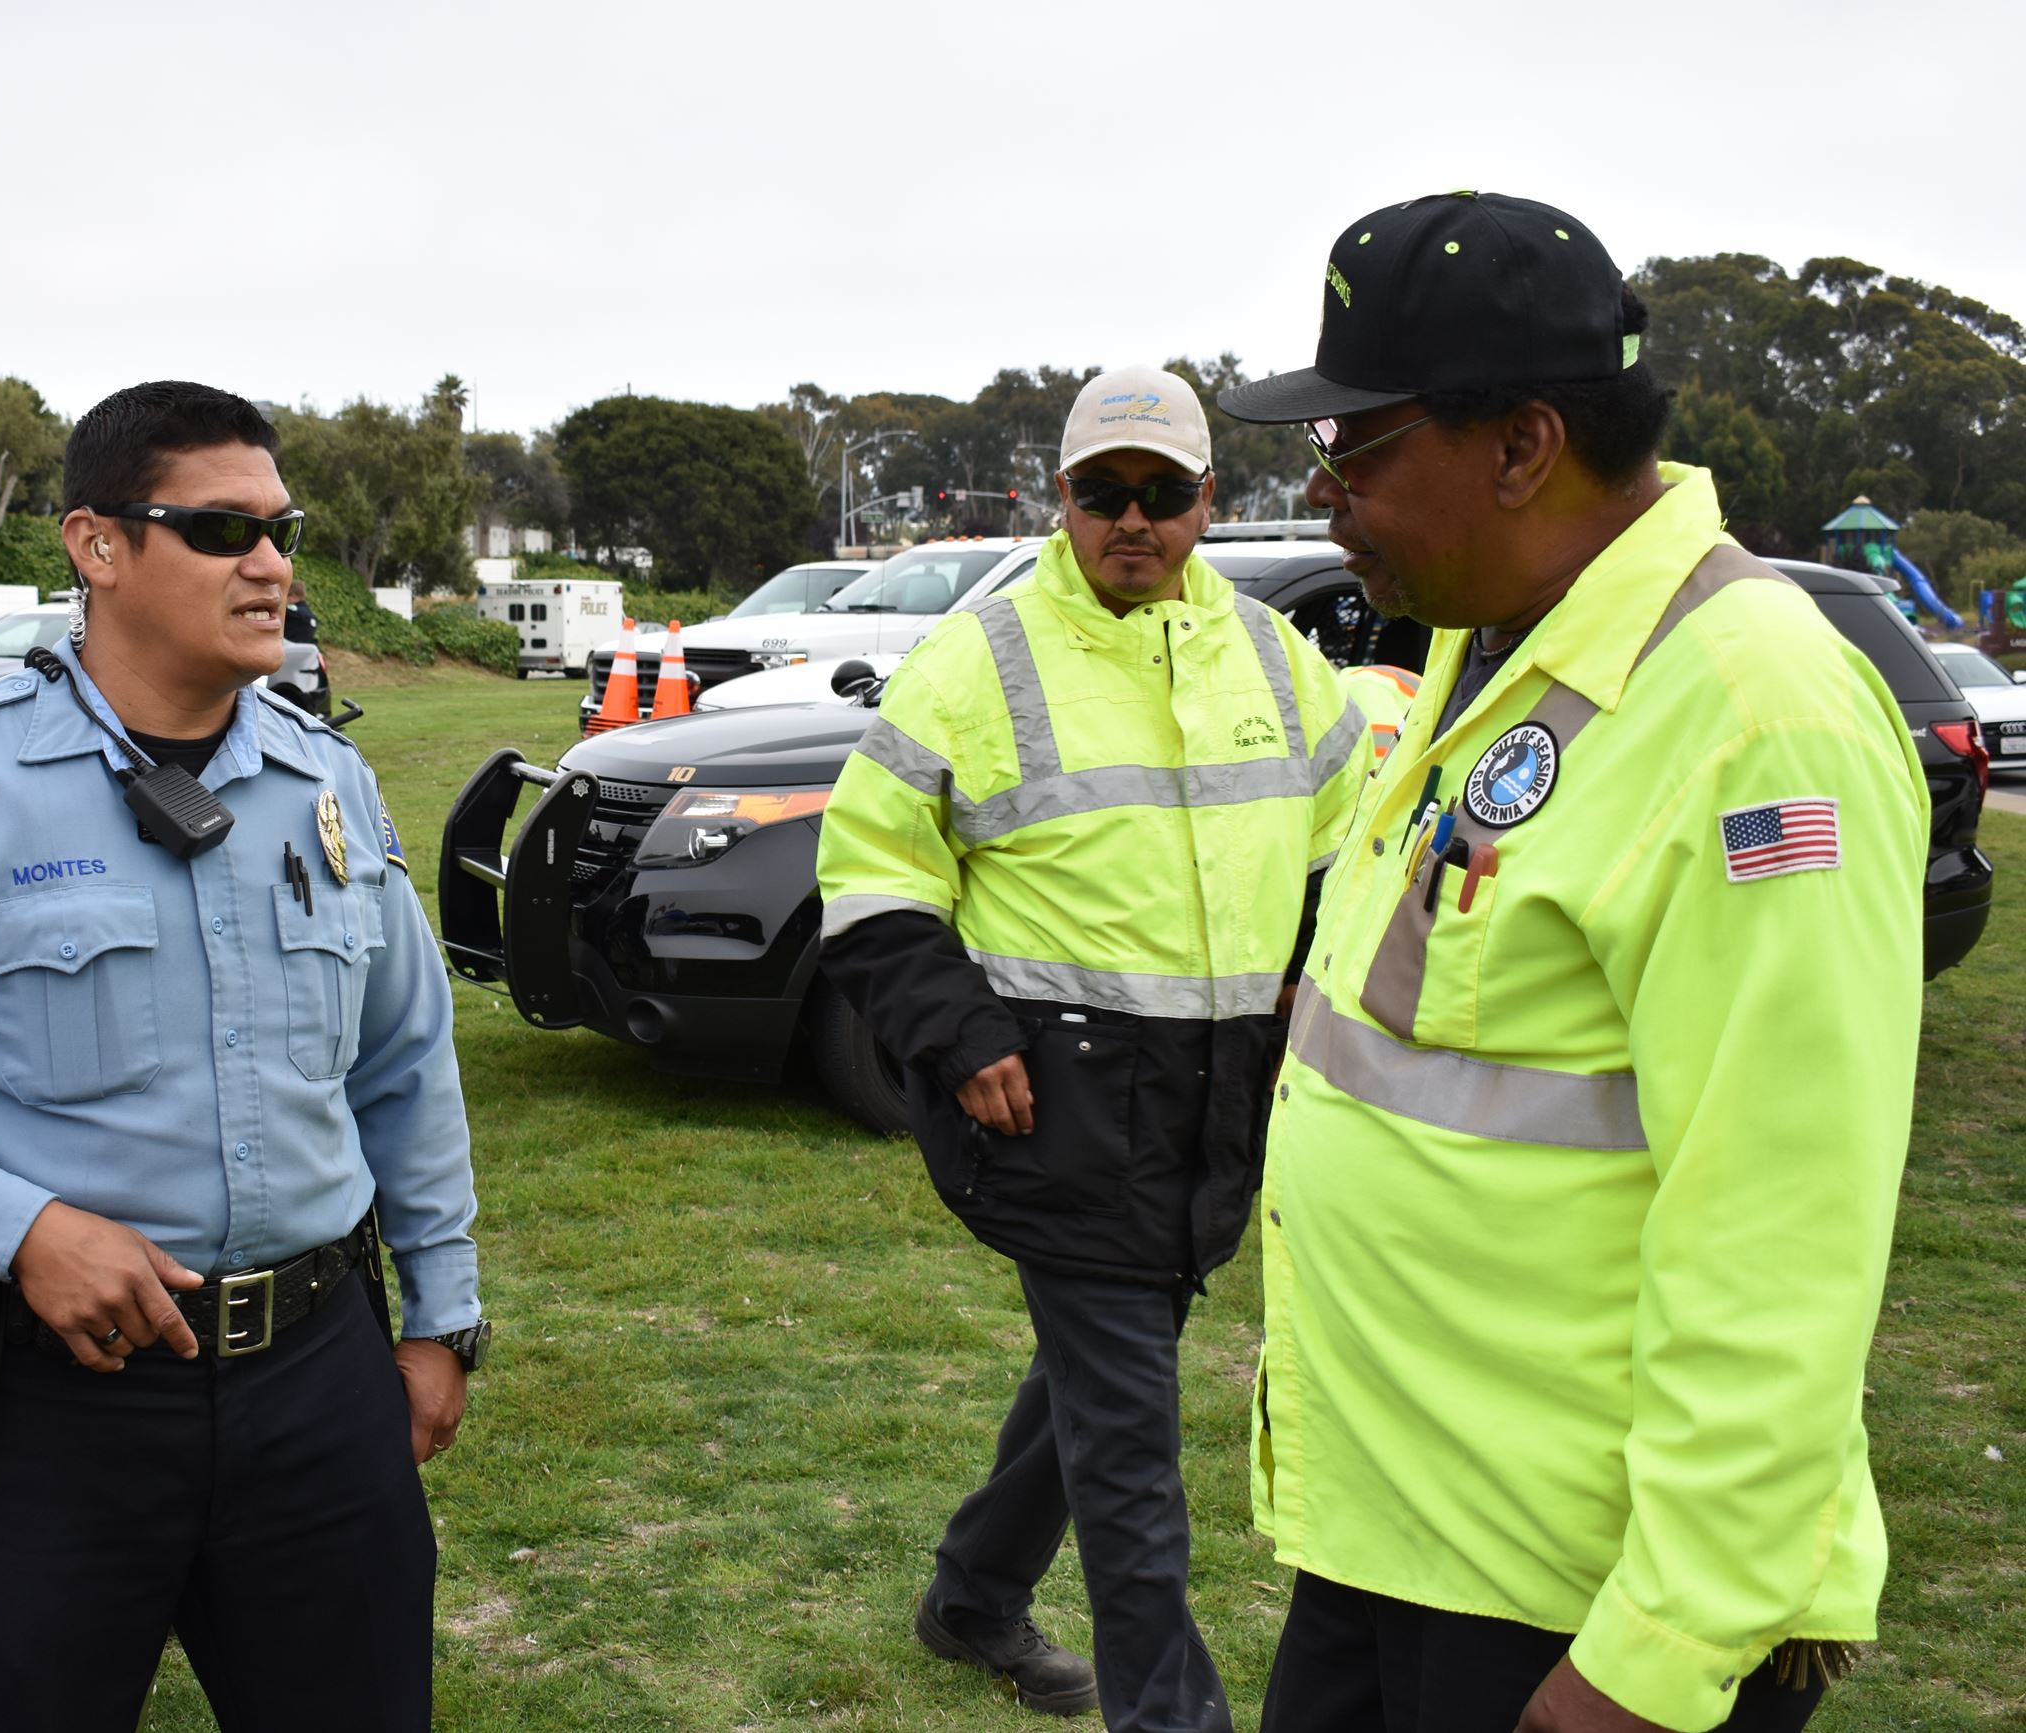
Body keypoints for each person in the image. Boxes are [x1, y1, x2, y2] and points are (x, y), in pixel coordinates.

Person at [1216, 193, 1929, 1733]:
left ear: (1523, 446)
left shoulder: (1754, 715)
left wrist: (1653, 1655)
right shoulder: (1499, 638)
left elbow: (1782, 1238)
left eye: (1358, 446)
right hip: (1406, 1536)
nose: (1323, 491)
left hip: (1570, 1612)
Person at [0, 380, 489, 1733]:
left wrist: (441, 1313)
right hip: (44, 1410)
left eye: (282, 528)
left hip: (315, 1386)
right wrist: (21, 1227)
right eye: (221, 530)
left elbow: (405, 1064)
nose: (272, 565)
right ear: (97, 546)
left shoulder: (329, 786)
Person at [816, 365, 1373, 1729]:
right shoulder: (978, 657)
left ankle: (970, 1597)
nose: (1137, 521)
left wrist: (1320, 986)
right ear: (1058, 498)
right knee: (1134, 1460)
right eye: (1105, 493)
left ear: (1206, 502)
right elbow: (871, 877)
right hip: (1050, 1109)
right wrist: (956, 1038)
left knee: (1094, 1379)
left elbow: (1356, 844)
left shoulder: (1272, 658)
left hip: (1214, 1114)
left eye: (1165, 494)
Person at [283, 573, 318, 644]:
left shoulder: (291, 610)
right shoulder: (311, 615)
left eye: (286, 595)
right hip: (304, 650)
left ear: (292, 595)